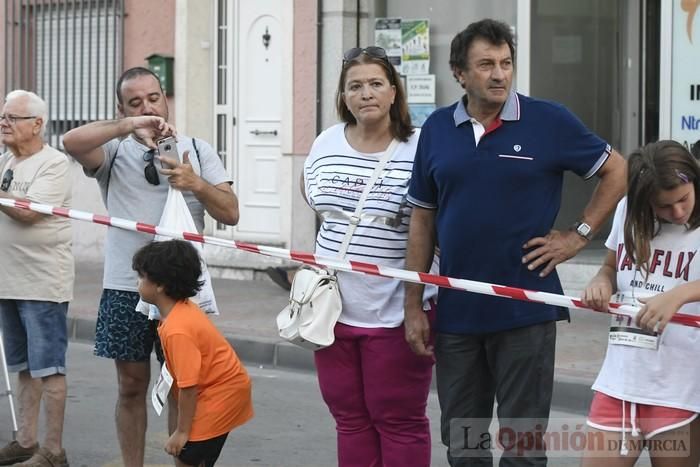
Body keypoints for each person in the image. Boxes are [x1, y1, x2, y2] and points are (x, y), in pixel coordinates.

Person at [403, 19, 627, 466]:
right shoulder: (436, 132)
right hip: (456, 315)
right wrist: (413, 305)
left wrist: (577, 236)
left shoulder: (549, 120)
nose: (499, 74)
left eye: (506, 63)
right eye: (486, 64)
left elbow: (617, 170)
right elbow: (422, 221)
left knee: (523, 449)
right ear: (460, 73)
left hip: (525, 311)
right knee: (464, 445)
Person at [62, 67, 239, 467]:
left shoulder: (198, 149)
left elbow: (230, 213)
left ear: (166, 99)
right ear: (122, 109)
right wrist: (127, 126)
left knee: (183, 385)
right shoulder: (114, 152)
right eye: (135, 102)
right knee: (130, 386)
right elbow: (72, 141)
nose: (148, 107)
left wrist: (195, 183)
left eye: (153, 98)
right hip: (126, 287)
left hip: (180, 294)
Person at [301, 46, 438, 467]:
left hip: (396, 310)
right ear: (343, 96)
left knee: (398, 419)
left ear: (394, 92)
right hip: (333, 309)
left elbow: (432, 225)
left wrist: (416, 303)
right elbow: (314, 204)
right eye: (355, 86)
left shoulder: (420, 147)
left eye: (376, 84)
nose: (366, 94)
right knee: (349, 418)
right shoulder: (325, 141)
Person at [580, 140, 700, 466]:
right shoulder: (627, 210)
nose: (677, 212)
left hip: (678, 388)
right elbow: (610, 266)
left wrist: (679, 294)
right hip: (619, 381)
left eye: (683, 199)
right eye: (664, 206)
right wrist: (600, 281)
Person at [132, 239, 253, 467]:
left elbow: (189, 387)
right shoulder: (180, 310)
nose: (137, 282)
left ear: (160, 285)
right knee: (188, 458)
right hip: (218, 392)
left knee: (188, 457)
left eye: (141, 277)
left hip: (219, 397)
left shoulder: (178, 329)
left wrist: (181, 431)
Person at [0, 90, 73, 467]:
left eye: (13, 117)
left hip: (42, 282)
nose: (4, 123)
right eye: (3, 116)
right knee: (23, 366)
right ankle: (26, 441)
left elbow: (28, 214)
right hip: (8, 281)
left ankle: (53, 451)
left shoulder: (54, 163)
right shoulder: (4, 162)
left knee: (49, 367)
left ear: (37, 124)